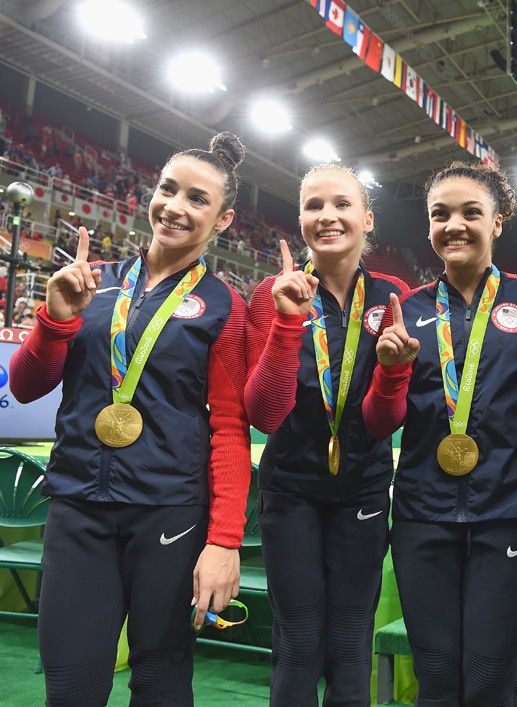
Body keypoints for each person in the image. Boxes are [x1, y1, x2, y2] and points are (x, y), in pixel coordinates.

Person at [9, 132, 252, 706]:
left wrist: (223, 541)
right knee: (70, 683)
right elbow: (24, 387)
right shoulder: (92, 282)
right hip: (77, 508)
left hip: (169, 514)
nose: (175, 206)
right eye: (168, 189)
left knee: (162, 683)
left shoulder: (223, 305)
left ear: (223, 221)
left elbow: (230, 429)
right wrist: (55, 318)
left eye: (198, 199)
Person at [363, 162, 517, 705]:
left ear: (497, 222)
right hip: (424, 519)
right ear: (428, 226)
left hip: (508, 516)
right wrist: (392, 371)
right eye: (440, 214)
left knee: (492, 681)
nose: (455, 225)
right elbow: (378, 424)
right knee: (438, 680)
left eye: (472, 212)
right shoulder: (406, 311)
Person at [244, 164, 409, 706]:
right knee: (298, 644)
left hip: (361, 491)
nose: (327, 216)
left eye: (342, 204)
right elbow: (263, 415)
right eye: (314, 206)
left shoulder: (393, 298)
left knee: (350, 642)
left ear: (367, 219)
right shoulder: (271, 294)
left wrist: (390, 371)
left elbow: (388, 417)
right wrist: (288, 321)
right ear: (300, 220)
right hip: (289, 490)